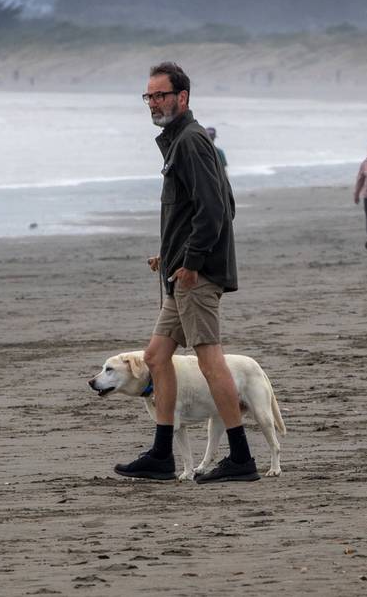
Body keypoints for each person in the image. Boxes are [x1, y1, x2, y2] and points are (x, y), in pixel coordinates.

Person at [115, 62, 257, 484]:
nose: (154, 103)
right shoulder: (182, 142)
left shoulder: (192, 142)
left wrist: (193, 262)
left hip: (197, 277)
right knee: (157, 358)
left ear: (183, 97)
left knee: (211, 362)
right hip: (181, 274)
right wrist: (171, 254)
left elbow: (217, 210)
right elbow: (210, 206)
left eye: (161, 95)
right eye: (149, 96)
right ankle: (161, 456)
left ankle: (241, 458)